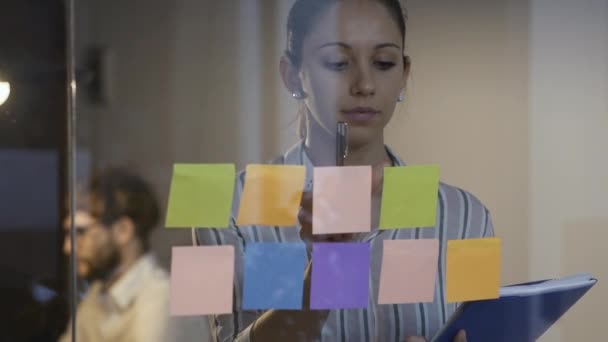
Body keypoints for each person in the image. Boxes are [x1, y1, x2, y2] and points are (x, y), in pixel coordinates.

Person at [194, 0, 494, 341]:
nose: (364, 84)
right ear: (293, 76)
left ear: (404, 76)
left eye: (383, 63)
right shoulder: (226, 206)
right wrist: (326, 272)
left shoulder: (466, 217)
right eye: (337, 62)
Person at [60, 168, 205, 342]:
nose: (68, 247)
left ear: (123, 230)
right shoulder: (98, 295)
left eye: (81, 232)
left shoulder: (162, 299)